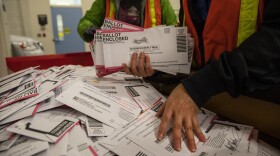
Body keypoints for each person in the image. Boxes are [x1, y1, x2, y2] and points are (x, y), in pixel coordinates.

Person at [124, 0, 280, 152]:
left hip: (266, 111)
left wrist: (198, 87)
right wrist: (158, 66)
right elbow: (194, 48)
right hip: (217, 107)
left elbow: (274, 40)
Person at [77, 0, 177, 43]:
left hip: (151, 63)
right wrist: (88, 29)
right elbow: (86, 21)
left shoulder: (160, 1)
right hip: (115, 63)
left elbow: (174, 29)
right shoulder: (105, 1)